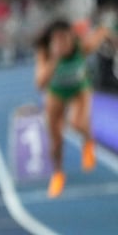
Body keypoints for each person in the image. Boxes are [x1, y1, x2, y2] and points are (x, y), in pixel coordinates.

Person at [34, 18, 113, 198]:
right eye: (57, 40)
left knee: (77, 123)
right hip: (57, 91)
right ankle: (58, 174)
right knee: (55, 139)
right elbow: (40, 84)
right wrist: (54, 59)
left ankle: (88, 142)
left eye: (65, 38)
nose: (62, 44)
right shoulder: (45, 52)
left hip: (79, 89)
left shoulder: (82, 46)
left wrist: (113, 42)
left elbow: (102, 31)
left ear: (72, 36)